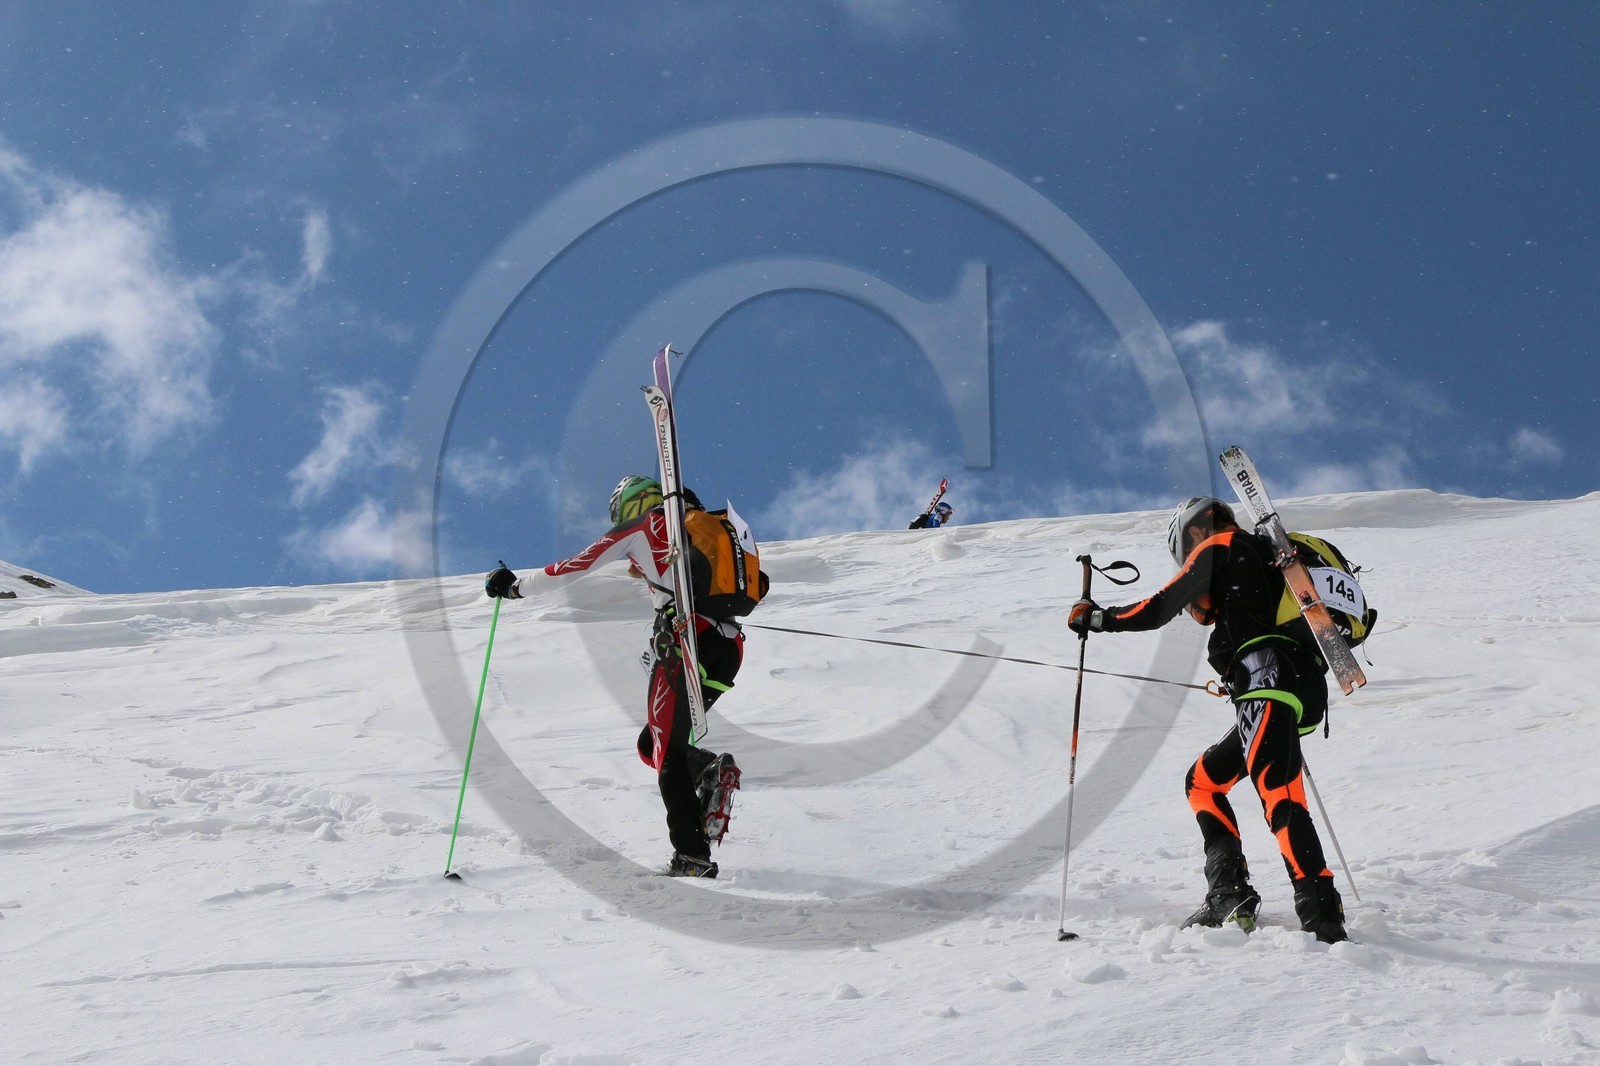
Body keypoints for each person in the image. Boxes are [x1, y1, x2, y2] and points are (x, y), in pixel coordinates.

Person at [1067, 495, 1349, 943]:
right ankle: (1228, 893)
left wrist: (1100, 618)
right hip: (1293, 683)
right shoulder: (1263, 558)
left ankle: (1322, 917)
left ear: (1194, 531)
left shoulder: (1221, 544)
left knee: (1279, 791)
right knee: (1202, 782)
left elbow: (1160, 607)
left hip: (1266, 677)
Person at [484, 475, 744, 879]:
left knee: (665, 752)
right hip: (727, 648)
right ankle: (708, 780)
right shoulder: (696, 525)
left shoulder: (643, 526)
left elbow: (574, 566)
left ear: (629, 507)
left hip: (685, 640)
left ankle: (692, 854)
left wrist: (515, 588)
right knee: (652, 745)